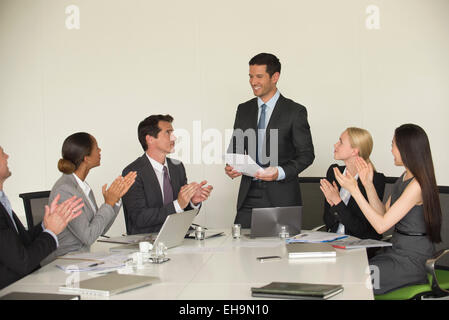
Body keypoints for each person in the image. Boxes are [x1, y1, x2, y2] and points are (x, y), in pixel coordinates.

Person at [333, 124, 442, 294]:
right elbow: (383, 213)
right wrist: (367, 185)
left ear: (406, 148)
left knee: (354, 281)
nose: (391, 150)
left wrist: (355, 190)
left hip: (411, 261)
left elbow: (381, 226)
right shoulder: (404, 177)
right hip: (395, 253)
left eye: (393, 145)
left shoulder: (417, 185)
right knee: (347, 271)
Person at [225, 53, 315, 228]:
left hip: (282, 196)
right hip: (248, 194)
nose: (253, 82)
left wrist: (279, 172)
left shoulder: (294, 111)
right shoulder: (244, 109)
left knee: (280, 253)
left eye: (259, 76)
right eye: (251, 76)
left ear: (275, 77)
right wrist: (232, 166)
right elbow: (235, 147)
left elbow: (306, 155)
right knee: (240, 249)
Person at [0, 146, 84, 289]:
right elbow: (23, 262)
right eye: (2, 154)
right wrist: (51, 232)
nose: (7, 156)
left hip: (25, 284)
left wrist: (45, 226)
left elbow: (19, 244)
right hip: (11, 290)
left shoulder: (2, 200)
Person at [44, 133, 136, 262]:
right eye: (96, 148)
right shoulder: (65, 189)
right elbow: (89, 236)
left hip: (81, 258)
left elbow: (100, 229)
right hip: (65, 261)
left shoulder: (82, 186)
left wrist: (114, 200)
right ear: (86, 158)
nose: (100, 150)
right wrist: (108, 204)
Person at [122, 115, 213, 234]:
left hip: (180, 237)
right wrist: (178, 204)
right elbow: (139, 218)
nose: (174, 137)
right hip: (147, 243)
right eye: (168, 133)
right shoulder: (132, 172)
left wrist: (193, 201)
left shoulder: (177, 167)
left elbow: (182, 210)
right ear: (150, 139)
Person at [320, 127, 385, 240]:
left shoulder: (374, 180)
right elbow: (328, 220)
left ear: (354, 151)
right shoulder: (334, 172)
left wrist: (337, 202)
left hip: (360, 246)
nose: (335, 145)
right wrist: (334, 206)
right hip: (333, 241)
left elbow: (360, 229)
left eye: (341, 142)